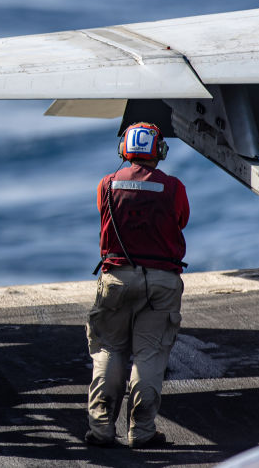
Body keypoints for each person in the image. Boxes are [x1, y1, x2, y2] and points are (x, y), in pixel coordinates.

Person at [84, 122, 189, 449]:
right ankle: (141, 431)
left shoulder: (107, 184)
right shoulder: (173, 187)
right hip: (161, 282)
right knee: (150, 354)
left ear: (124, 150)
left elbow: (103, 213)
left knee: (108, 349)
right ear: (160, 151)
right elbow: (181, 219)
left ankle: (101, 428)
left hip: (116, 279)